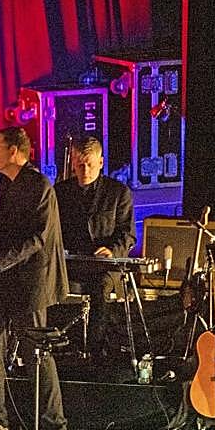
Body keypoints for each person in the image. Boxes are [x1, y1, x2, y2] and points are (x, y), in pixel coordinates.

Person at [0, 127, 70, 430]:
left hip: (29, 284)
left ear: (14, 151)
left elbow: (37, 239)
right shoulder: (9, 185)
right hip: (1, 280)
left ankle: (56, 428)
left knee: (35, 355)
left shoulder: (39, 186)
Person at [54, 136, 136, 358]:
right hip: (71, 263)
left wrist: (112, 251)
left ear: (101, 162)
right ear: (73, 163)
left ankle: (95, 351)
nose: (85, 170)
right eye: (80, 165)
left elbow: (128, 235)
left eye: (89, 164)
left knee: (100, 288)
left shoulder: (118, 193)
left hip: (105, 266)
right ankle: (54, 344)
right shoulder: (60, 192)